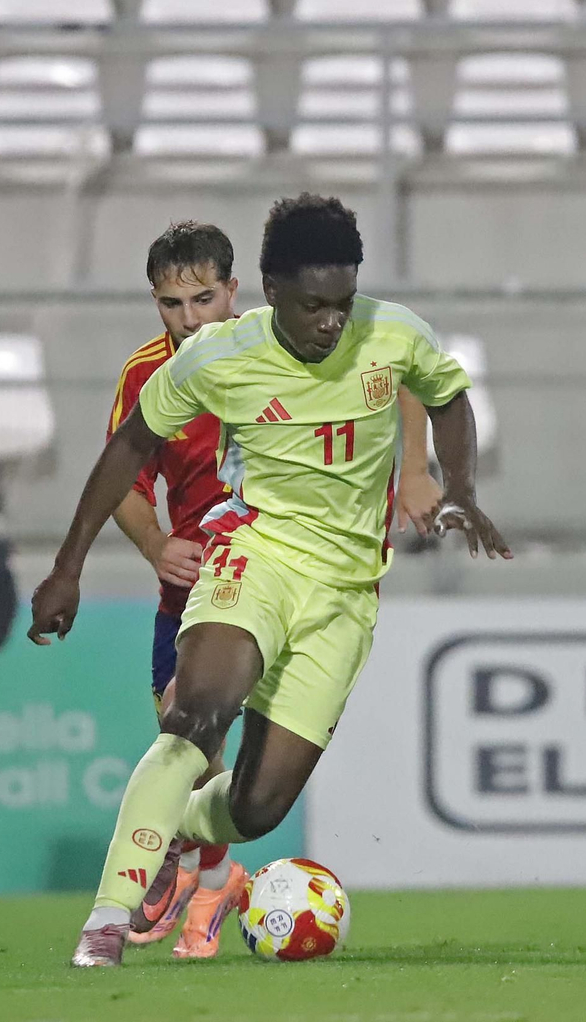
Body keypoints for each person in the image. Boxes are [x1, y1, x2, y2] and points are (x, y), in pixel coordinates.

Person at [30, 193, 511, 967]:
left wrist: (458, 487)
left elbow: (449, 396)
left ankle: (181, 828)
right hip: (256, 554)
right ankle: (107, 919)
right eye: (314, 304)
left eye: (343, 302)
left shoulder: (392, 334)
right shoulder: (220, 355)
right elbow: (128, 447)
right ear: (272, 288)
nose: (331, 321)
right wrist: (67, 566)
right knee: (195, 716)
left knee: (256, 806)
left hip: (347, 594)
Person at [107, 220, 445, 959]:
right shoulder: (150, 374)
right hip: (197, 582)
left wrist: (415, 466)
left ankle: (202, 875)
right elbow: (124, 481)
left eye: (203, 298)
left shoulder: (294, 342)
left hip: (292, 567)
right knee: (192, 737)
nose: (189, 317)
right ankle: (211, 883)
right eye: (171, 303)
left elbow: (407, 372)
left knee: (215, 747)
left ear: (235, 291)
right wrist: (158, 544)